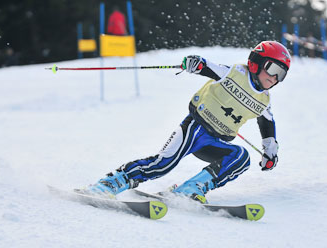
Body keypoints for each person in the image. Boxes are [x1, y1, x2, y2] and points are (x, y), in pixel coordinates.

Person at [81, 41, 291, 204]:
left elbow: (268, 127)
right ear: (256, 62)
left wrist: (270, 152)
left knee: (241, 157)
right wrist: (196, 63)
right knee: (163, 164)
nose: (275, 78)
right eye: (272, 69)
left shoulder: (264, 101)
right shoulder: (234, 73)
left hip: (214, 143)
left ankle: (191, 189)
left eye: (281, 74)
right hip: (194, 129)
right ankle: (110, 183)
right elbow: (209, 67)